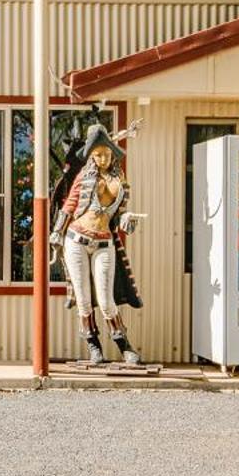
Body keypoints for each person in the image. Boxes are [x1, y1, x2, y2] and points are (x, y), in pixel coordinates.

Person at [48, 121, 143, 366]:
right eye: (97, 154)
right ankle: (93, 345)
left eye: (106, 154)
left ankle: (124, 345)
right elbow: (70, 204)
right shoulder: (84, 176)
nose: (102, 159)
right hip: (77, 238)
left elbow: (119, 213)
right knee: (83, 298)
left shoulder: (120, 179)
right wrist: (58, 232)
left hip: (103, 242)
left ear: (113, 154)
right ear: (90, 156)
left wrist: (126, 220)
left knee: (105, 299)